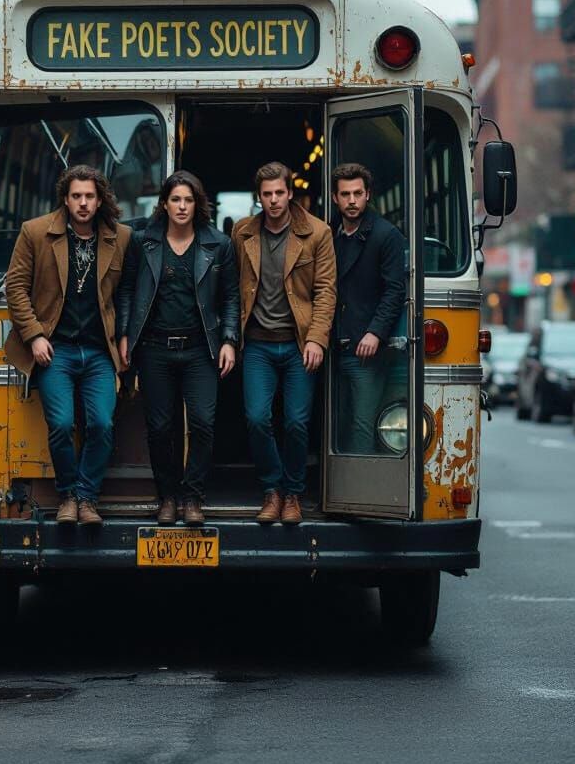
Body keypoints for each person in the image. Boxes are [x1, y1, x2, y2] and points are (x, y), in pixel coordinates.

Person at [5, 165, 132, 526]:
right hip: (54, 351)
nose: (83, 203)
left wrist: (123, 336)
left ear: (99, 199)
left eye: (89, 196)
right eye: (76, 196)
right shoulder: (35, 232)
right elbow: (16, 288)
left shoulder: (119, 237)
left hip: (98, 352)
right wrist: (34, 335)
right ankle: (68, 495)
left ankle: (86, 498)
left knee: (102, 424)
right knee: (61, 424)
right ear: (65, 198)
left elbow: (125, 292)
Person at [118, 171, 240, 526]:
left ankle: (193, 498)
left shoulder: (219, 244)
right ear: (165, 204)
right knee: (160, 427)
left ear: (197, 204)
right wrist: (126, 335)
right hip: (154, 348)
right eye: (176, 200)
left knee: (203, 423)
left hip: (201, 349)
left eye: (188, 200)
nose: (182, 206)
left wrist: (229, 340)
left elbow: (231, 297)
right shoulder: (143, 243)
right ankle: (167, 496)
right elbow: (127, 290)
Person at [233, 162, 336, 525]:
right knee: (257, 418)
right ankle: (272, 490)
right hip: (258, 343)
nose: (274, 200)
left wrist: (317, 340)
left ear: (290, 193)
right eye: (267, 194)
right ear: (258, 197)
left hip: (298, 344)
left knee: (296, 422)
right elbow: (234, 289)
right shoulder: (242, 232)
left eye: (279, 193)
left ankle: (293, 493)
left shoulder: (317, 232)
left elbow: (325, 291)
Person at [330, 163, 406, 454]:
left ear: (368, 195)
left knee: (361, 424)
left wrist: (375, 333)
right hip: (331, 346)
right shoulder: (328, 234)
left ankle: (357, 496)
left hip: (365, 351)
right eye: (345, 194)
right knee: (334, 422)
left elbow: (394, 290)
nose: (352, 200)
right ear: (336, 198)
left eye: (358, 193)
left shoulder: (386, 236)